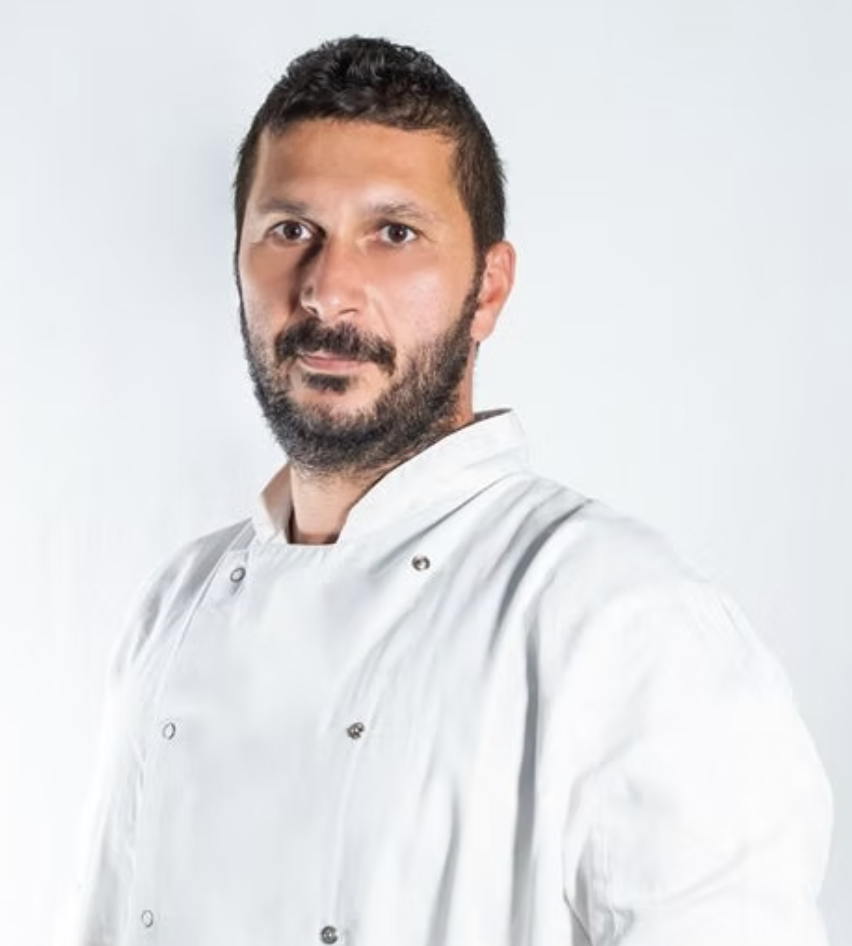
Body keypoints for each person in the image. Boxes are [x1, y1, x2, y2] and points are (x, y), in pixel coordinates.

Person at [63, 36, 832, 946]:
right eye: (289, 230)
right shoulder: (173, 610)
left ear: (488, 291)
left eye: (394, 233)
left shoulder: (622, 620)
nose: (328, 290)